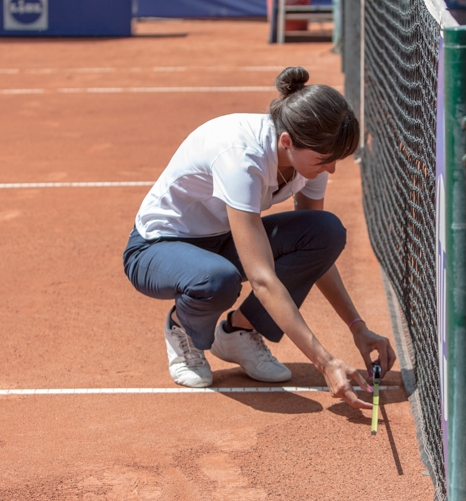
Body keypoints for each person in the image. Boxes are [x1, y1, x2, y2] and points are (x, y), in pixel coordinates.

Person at [123, 66, 396, 410]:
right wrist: (324, 362)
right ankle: (184, 330)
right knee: (216, 280)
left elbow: (318, 255)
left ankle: (239, 332)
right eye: (325, 160)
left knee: (325, 231)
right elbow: (262, 279)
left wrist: (358, 326)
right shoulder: (242, 157)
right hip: (157, 248)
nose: (331, 169)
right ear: (287, 142)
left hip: (221, 239)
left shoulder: (310, 155)